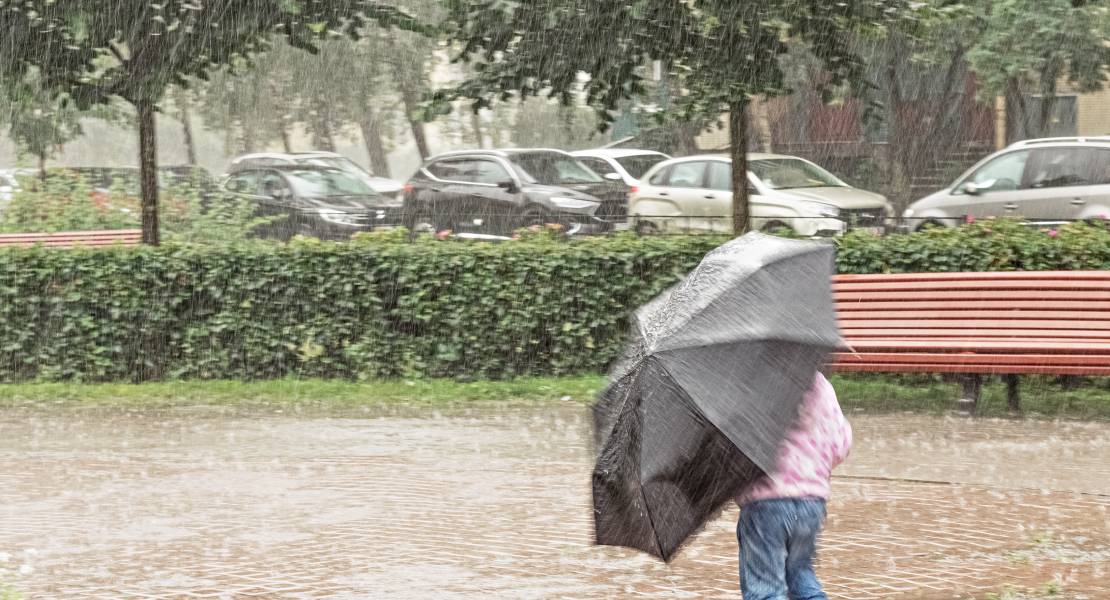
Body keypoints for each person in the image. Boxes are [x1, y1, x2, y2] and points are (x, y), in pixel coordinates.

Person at [735, 372, 852, 600]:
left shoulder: (749, 383)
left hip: (765, 502)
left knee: (765, 587)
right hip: (812, 502)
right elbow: (841, 444)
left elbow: (734, 444)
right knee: (800, 575)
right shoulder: (819, 383)